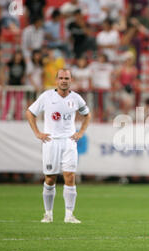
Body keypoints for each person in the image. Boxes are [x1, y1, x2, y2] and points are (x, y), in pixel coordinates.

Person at [25, 69, 91, 224]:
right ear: (56, 80)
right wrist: (37, 133)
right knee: (50, 179)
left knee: (70, 176)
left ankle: (69, 215)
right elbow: (30, 113)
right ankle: (48, 214)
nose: (64, 81)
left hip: (69, 142)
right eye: (61, 78)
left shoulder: (76, 98)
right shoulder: (47, 96)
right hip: (51, 141)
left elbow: (87, 115)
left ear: (71, 80)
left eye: (66, 78)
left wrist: (80, 132)